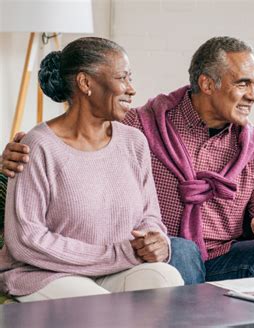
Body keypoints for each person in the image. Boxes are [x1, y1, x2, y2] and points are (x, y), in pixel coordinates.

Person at [1, 36, 254, 284]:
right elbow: (79, 136)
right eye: (242, 84)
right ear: (208, 84)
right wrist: (18, 152)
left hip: (224, 259)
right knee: (182, 250)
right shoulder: (140, 127)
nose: (252, 95)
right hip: (164, 255)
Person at [0, 37, 183, 302]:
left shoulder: (134, 143)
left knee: (168, 280)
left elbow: (149, 217)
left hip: (115, 270)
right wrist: (115, 254)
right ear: (86, 83)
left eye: (130, 77)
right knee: (97, 306)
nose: (131, 89)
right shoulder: (37, 146)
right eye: (122, 78)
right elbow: (26, 241)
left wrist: (157, 242)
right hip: (46, 273)